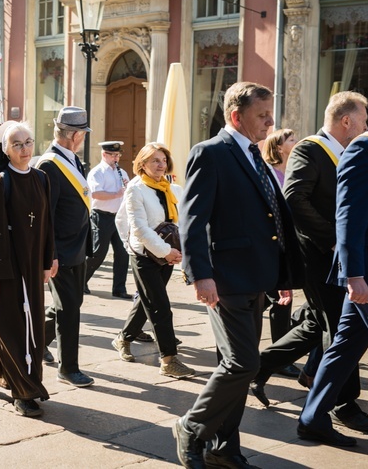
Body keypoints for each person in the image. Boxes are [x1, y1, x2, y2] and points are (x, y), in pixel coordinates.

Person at [174, 82, 302, 469]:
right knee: (242, 364)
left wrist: (281, 272)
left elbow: (269, 217)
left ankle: (222, 448)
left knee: (232, 365)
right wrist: (200, 274)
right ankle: (190, 428)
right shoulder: (210, 153)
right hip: (225, 278)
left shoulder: (253, 153)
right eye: (262, 115)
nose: (270, 121)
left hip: (256, 276)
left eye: (270, 113)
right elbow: (192, 220)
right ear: (236, 116)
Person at [249, 92, 368, 434]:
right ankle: (343, 403)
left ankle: (266, 367)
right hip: (319, 256)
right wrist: (334, 238)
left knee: (317, 324)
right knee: (339, 327)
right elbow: (295, 198)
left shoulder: (347, 152)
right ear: (346, 121)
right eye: (364, 119)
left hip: (339, 256)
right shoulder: (310, 149)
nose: (366, 126)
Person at [298, 84, 368, 447]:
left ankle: (311, 418)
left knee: (343, 348)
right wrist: (354, 275)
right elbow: (349, 219)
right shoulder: (364, 149)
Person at [0, 122, 54, 416]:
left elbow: (46, 222)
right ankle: (23, 392)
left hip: (32, 265)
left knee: (24, 325)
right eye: (17, 144)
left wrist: (49, 258)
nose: (24, 149)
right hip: (8, 267)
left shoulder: (41, 178)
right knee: (12, 327)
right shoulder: (0, 182)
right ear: (5, 149)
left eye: (28, 142)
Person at [111, 143, 194, 379]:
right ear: (143, 164)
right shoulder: (136, 190)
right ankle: (169, 359)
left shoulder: (172, 188)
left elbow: (180, 223)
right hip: (144, 256)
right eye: (155, 160)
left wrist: (177, 251)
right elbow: (138, 228)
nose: (161, 165)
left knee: (146, 302)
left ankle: (123, 338)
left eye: (163, 160)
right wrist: (165, 251)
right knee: (160, 306)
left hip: (166, 255)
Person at [36, 106, 94, 388]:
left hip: (77, 247)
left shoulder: (71, 159)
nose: (84, 137)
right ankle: (68, 368)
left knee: (66, 305)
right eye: (82, 133)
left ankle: (36, 344)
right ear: (74, 134)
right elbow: (46, 215)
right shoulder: (49, 164)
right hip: (61, 251)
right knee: (70, 308)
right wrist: (52, 255)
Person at [260, 128, 299, 378]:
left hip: (289, 243)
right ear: (279, 147)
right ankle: (279, 357)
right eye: (291, 140)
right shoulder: (269, 173)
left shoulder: (292, 170)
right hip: (274, 244)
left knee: (271, 298)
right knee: (282, 299)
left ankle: (279, 353)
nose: (296, 142)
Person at [84, 141, 130, 299]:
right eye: (113, 155)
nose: (116, 158)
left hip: (118, 217)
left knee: (123, 253)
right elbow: (95, 194)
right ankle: (81, 280)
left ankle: (119, 288)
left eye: (118, 155)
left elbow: (127, 193)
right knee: (98, 253)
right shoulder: (97, 172)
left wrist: (127, 189)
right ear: (104, 154)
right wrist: (117, 194)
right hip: (101, 216)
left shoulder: (122, 172)